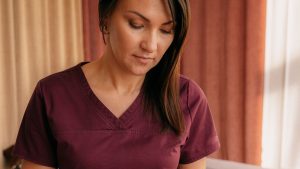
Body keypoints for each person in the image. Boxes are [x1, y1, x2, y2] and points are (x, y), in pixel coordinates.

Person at [13, 0, 220, 168]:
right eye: (136, 25)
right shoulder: (52, 94)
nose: (151, 45)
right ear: (105, 18)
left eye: (166, 30)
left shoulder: (187, 97)